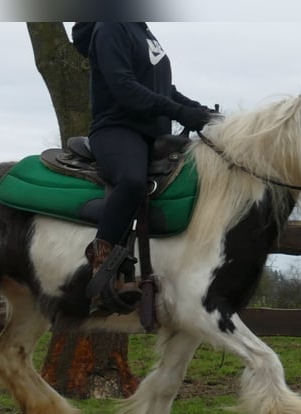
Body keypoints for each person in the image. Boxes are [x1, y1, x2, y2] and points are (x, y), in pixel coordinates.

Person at [71, 22, 212, 313]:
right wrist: (178, 112)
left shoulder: (143, 31)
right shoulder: (112, 28)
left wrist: (197, 110)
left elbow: (163, 89)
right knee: (132, 182)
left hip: (153, 136)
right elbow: (125, 88)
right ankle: (100, 265)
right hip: (117, 130)